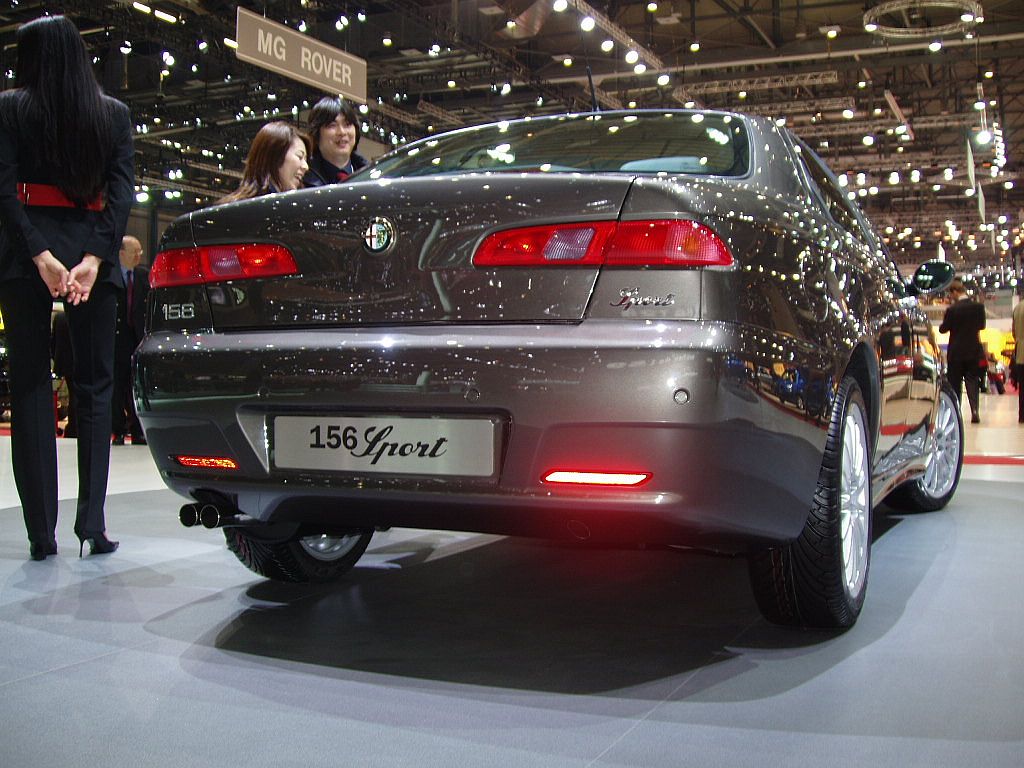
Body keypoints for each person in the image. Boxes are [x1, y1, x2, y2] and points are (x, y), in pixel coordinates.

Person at [0, 15, 133, 560]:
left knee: (32, 383)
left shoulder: (8, 107)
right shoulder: (113, 115)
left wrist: (39, 253)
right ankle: (92, 525)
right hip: (89, 255)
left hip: (24, 254)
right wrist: (94, 259)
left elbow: (3, 190)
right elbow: (123, 192)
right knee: (97, 386)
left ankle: (40, 534)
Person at [112, 235, 149, 445]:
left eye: (140, 252)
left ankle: (137, 430)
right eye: (135, 252)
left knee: (136, 388)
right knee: (116, 388)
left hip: (137, 340)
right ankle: (117, 430)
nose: (138, 256)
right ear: (122, 253)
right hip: (117, 339)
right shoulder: (111, 275)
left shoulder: (144, 276)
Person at [218, 121, 310, 203]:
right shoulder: (237, 210)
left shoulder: (294, 208)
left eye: (305, 160)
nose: (305, 166)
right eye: (299, 156)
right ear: (275, 156)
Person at [939, 279, 986, 424]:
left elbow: (943, 329)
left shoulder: (952, 310)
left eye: (950, 294)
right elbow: (982, 326)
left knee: (955, 384)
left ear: (954, 292)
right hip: (973, 350)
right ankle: (974, 411)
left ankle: (956, 413)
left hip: (956, 352)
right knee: (972, 381)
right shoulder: (978, 307)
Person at [303, 96, 367, 186]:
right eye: (332, 125)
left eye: (347, 124)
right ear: (316, 133)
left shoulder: (372, 177)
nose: (342, 132)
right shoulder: (302, 179)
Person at [50, 309, 76, 438]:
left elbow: (53, 342)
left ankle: (72, 426)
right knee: (77, 396)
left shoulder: (59, 317)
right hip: (78, 362)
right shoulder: (78, 317)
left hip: (64, 362)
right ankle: (74, 426)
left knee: (73, 394)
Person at [1013, 296, 1024, 423]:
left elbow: (1014, 332)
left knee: (1022, 387)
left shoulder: (1017, 308)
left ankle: (1022, 415)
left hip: (1020, 351)